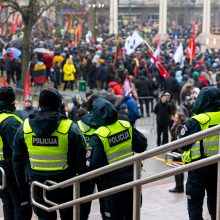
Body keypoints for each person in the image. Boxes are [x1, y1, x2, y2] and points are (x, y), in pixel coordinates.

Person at [12, 88, 89, 220]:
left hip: (39, 186)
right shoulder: (71, 127)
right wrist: (84, 188)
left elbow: (17, 161)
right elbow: (82, 160)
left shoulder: (25, 127)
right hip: (66, 184)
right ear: (59, 105)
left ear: (39, 104)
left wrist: (22, 187)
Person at [86, 96, 148, 219]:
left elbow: (93, 166)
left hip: (112, 186)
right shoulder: (125, 125)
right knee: (132, 214)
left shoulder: (99, 135)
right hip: (132, 180)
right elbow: (142, 145)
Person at [180, 87, 220, 220]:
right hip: (217, 166)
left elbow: (182, 144)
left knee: (195, 204)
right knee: (216, 201)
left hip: (198, 168)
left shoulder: (198, 120)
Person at [0, 86, 32, 220]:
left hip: (2, 171)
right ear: (13, 101)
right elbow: (19, 152)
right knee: (21, 206)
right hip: (12, 172)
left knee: (8, 204)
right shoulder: (11, 122)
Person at [169, 112, 186, 193]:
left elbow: (175, 136)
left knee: (176, 169)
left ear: (179, 118)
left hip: (177, 150)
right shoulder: (180, 125)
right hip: (179, 150)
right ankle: (180, 186)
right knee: (180, 169)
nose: (174, 118)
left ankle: (178, 187)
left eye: (176, 117)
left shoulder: (178, 126)